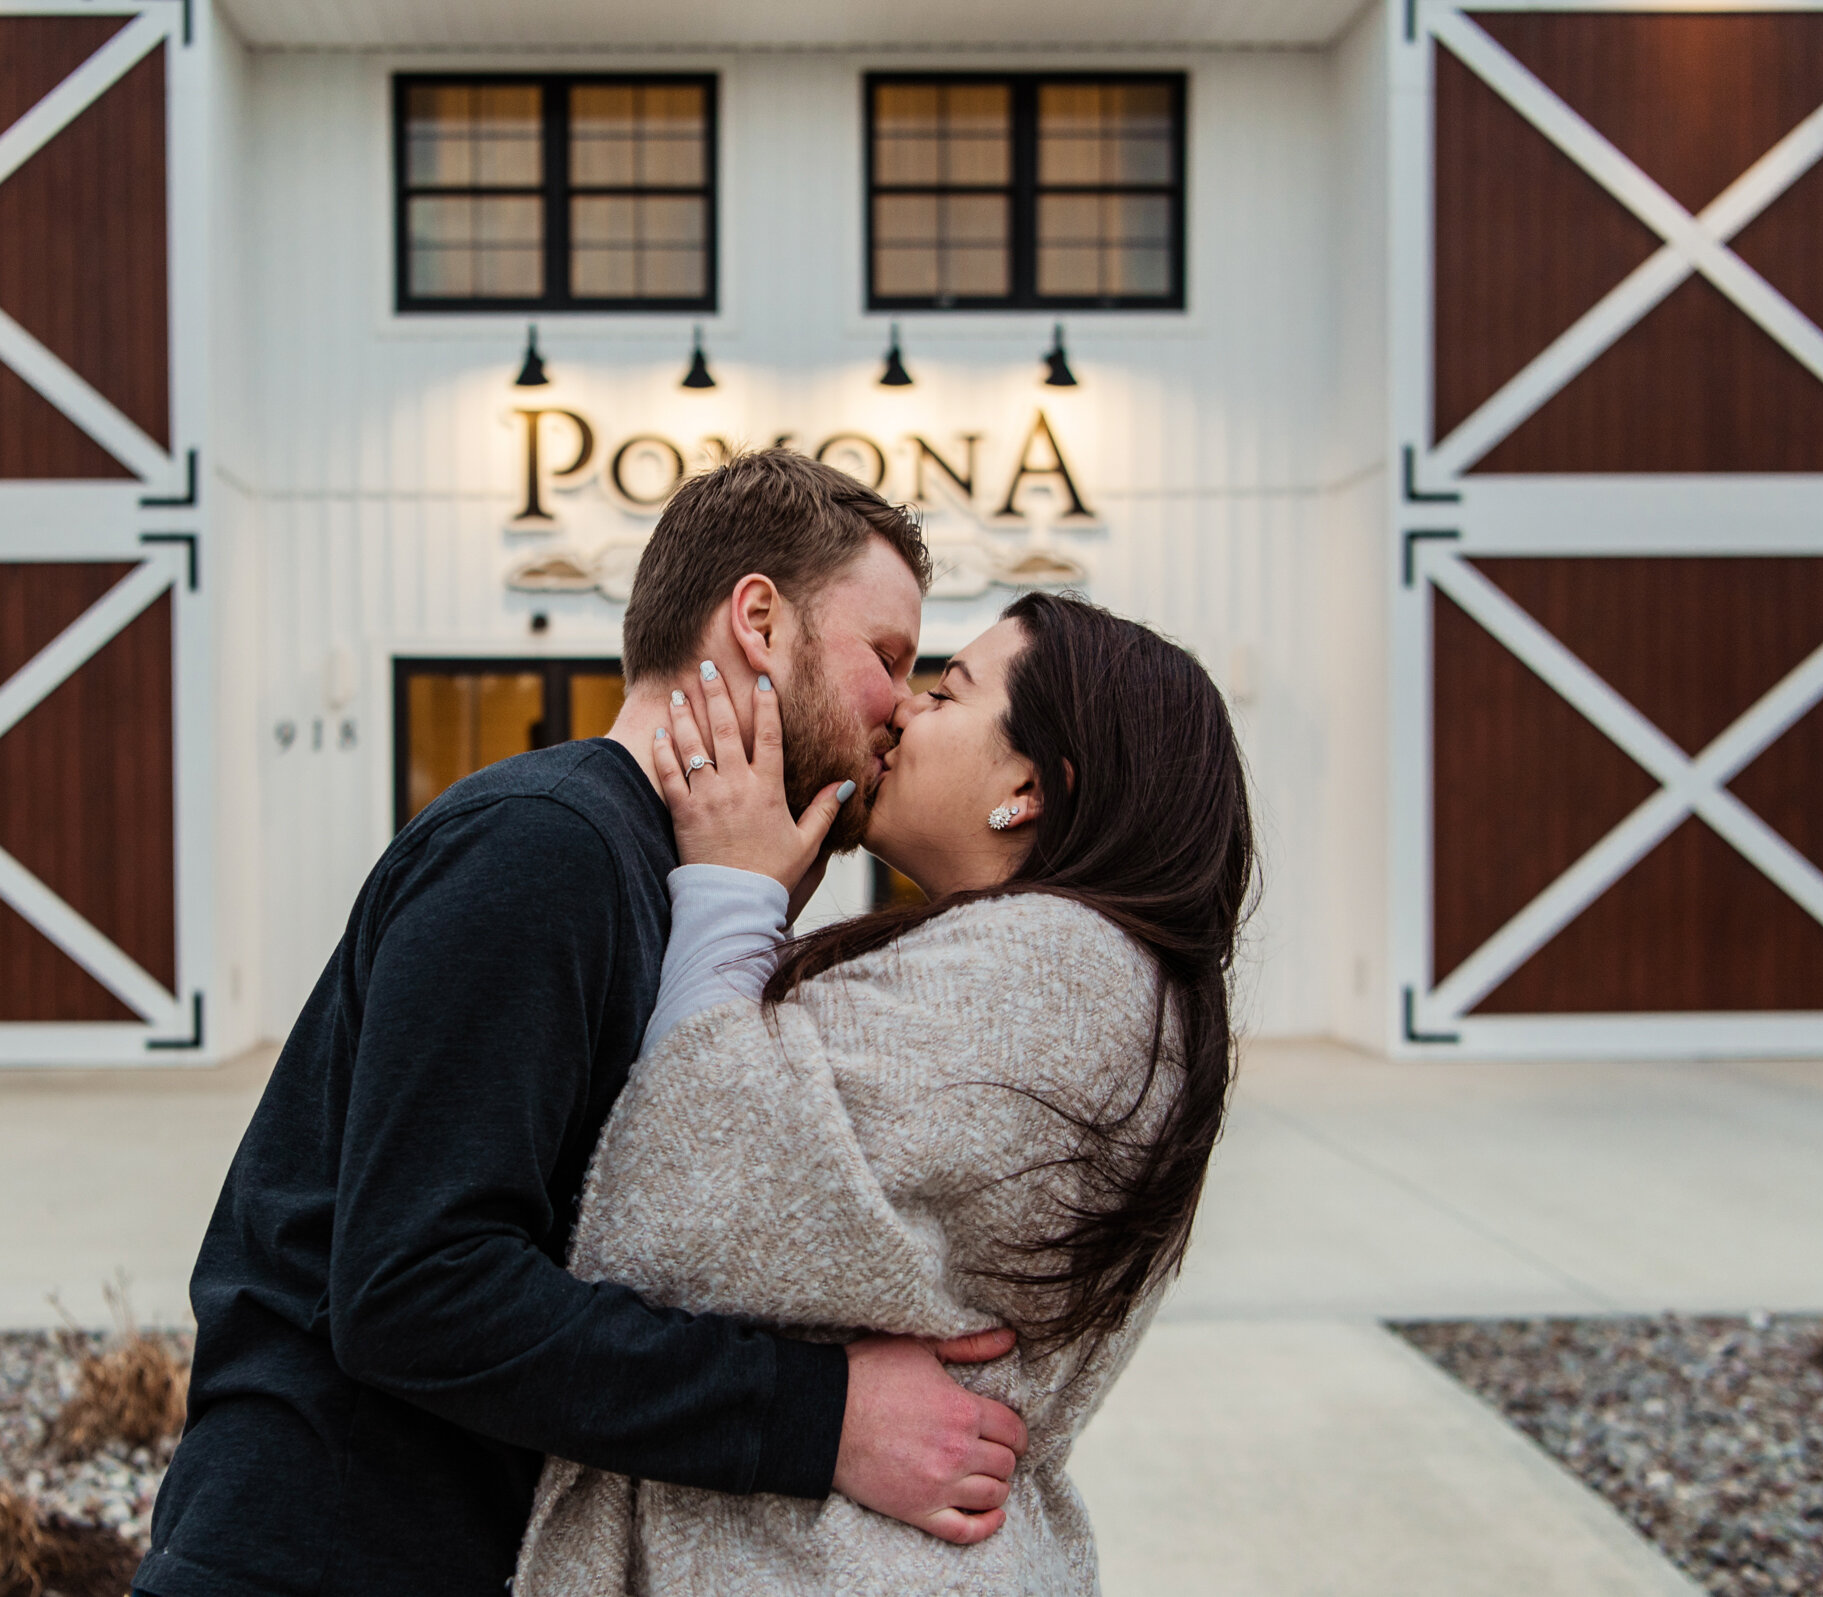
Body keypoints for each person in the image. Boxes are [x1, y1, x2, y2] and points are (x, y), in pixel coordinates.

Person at [135, 451, 1032, 1597]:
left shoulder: (676, 880)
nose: (901, 708)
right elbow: (416, 1290)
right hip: (322, 1556)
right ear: (760, 619)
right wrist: (825, 1416)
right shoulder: (542, 847)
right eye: (890, 658)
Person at [514, 591, 1255, 1594]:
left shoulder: (1058, 973)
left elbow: (687, 1191)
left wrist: (730, 890)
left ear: (1031, 785)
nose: (903, 707)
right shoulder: (1091, 975)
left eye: (948, 690)